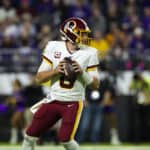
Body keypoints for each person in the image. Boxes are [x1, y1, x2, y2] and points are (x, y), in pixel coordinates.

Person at [21, 17, 100, 150]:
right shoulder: (53, 47)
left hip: (73, 102)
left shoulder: (90, 53)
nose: (86, 36)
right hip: (53, 100)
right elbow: (39, 78)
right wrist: (56, 71)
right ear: (70, 33)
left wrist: (82, 73)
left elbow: (95, 85)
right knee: (29, 136)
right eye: (82, 33)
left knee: (66, 140)